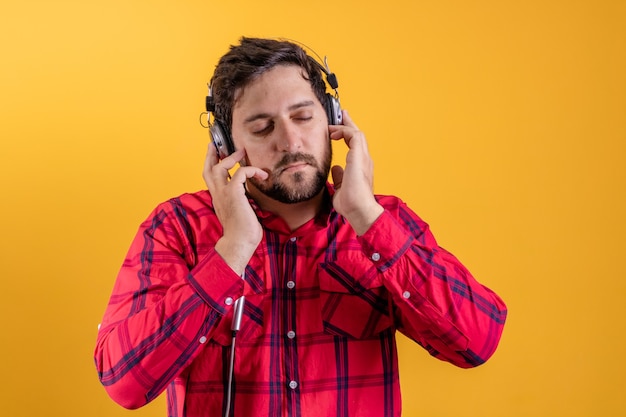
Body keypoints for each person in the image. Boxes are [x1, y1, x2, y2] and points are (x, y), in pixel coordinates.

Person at [94, 37, 507, 417]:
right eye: (262, 127)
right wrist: (232, 251)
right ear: (224, 145)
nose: (290, 141)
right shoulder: (177, 228)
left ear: (332, 120)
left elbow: (477, 341)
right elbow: (124, 383)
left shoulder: (384, 223)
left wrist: (367, 218)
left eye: (303, 116)